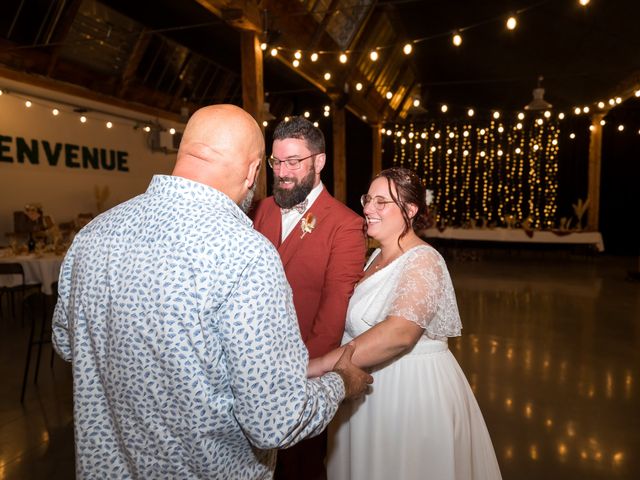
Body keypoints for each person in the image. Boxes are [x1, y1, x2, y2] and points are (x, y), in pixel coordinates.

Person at [52, 104, 372, 479]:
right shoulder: (244, 252)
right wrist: (340, 383)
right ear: (255, 170)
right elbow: (274, 421)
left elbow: (66, 342)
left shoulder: (94, 234)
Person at [308, 167, 502, 480]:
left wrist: (318, 366)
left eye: (381, 202)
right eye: (368, 199)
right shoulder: (374, 258)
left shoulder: (424, 259)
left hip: (410, 392)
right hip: (367, 389)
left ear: (410, 210)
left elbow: (400, 334)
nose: (368, 208)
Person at [252, 117, 366, 479]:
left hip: (304, 373)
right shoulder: (262, 209)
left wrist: (302, 373)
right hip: (249, 365)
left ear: (319, 162)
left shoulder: (345, 225)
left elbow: (334, 312)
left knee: (299, 469)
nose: (282, 172)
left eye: (293, 162)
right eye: (276, 162)